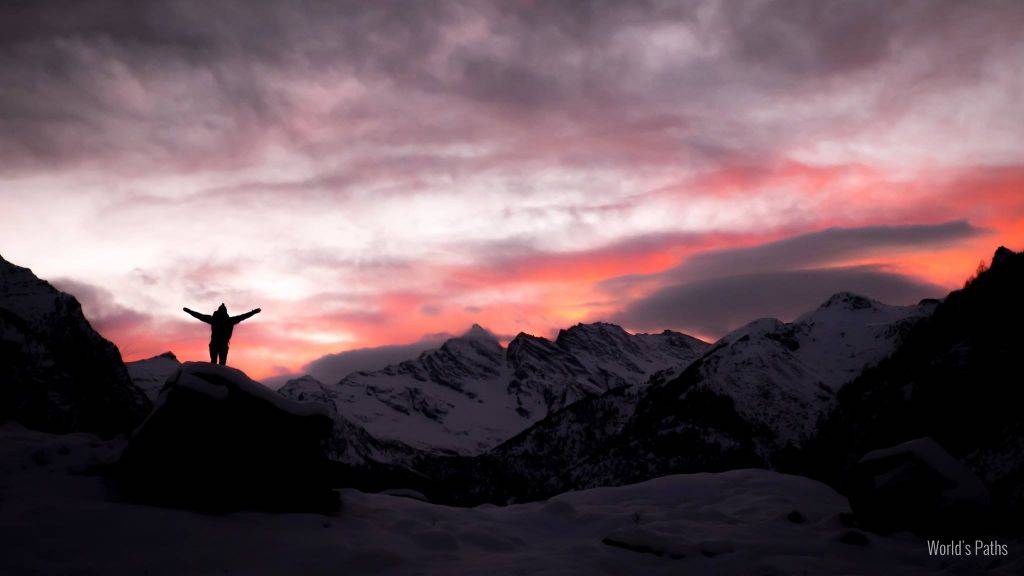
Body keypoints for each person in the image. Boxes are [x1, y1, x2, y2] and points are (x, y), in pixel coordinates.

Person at [183, 304, 261, 365]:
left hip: (215, 344)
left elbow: (199, 315)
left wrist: (189, 311)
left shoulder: (214, 319)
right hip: (222, 345)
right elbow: (243, 316)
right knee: (221, 365)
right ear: (225, 312)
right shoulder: (229, 320)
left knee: (214, 363)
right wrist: (254, 312)